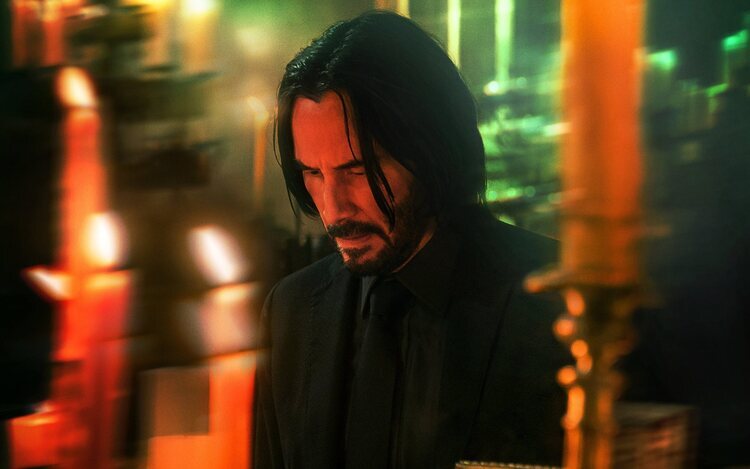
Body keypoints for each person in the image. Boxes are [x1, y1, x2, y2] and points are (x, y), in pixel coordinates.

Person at [254, 10, 569, 469]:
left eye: (358, 170)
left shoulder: (554, 300)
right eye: (313, 173)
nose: (334, 209)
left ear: (431, 149)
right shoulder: (292, 312)